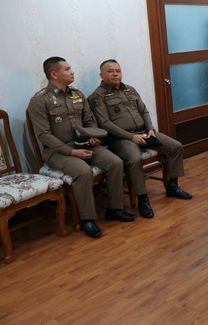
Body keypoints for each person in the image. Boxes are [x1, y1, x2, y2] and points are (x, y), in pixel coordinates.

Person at [27, 57, 134, 238]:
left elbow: (89, 121)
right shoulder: (39, 100)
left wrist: (92, 136)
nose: (72, 72)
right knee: (83, 171)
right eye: (67, 69)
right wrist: (71, 152)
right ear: (54, 74)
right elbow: (44, 135)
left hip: (84, 144)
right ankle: (88, 220)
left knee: (115, 162)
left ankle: (114, 209)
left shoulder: (77, 94)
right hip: (57, 151)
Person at [89, 59, 192, 219]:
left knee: (175, 146)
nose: (115, 74)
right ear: (101, 75)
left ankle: (172, 186)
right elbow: (105, 124)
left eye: (118, 71)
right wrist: (132, 137)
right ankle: (143, 200)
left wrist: (150, 129)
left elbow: (144, 111)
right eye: (110, 71)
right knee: (134, 158)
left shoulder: (130, 90)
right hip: (121, 139)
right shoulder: (97, 96)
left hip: (144, 132)